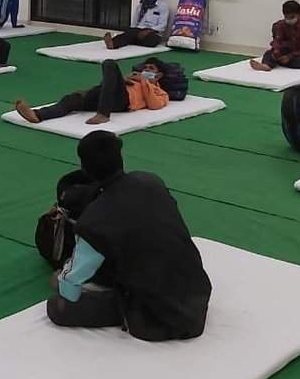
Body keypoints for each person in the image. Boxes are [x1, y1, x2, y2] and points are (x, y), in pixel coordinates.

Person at [46, 131, 212, 341]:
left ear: (85, 168)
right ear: (120, 158)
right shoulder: (152, 181)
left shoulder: (93, 220)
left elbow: (70, 289)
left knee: (57, 307)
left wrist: (59, 279)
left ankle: (127, 308)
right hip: (197, 291)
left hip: (156, 317)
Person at [14, 58, 170, 126]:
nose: (146, 71)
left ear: (159, 75)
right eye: (145, 68)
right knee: (72, 99)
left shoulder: (160, 91)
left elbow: (154, 105)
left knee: (109, 64)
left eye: (151, 69)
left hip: (123, 101)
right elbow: (108, 84)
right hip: (108, 94)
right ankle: (38, 115)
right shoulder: (133, 79)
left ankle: (103, 114)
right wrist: (123, 79)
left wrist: (143, 81)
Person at [250, 0, 300, 72]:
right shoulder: (280, 25)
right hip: (286, 51)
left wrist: (290, 56)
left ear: (299, 14)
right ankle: (267, 65)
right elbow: (277, 41)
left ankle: (275, 62)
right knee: (269, 53)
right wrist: (276, 51)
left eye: (292, 17)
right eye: (286, 17)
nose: (289, 20)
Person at [104, 0, 169, 50]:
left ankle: (132, 40)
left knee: (151, 40)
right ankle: (112, 43)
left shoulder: (163, 6)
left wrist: (147, 31)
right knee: (129, 32)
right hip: (138, 30)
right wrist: (134, 31)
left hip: (153, 33)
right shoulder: (140, 6)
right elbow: (134, 23)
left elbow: (162, 26)